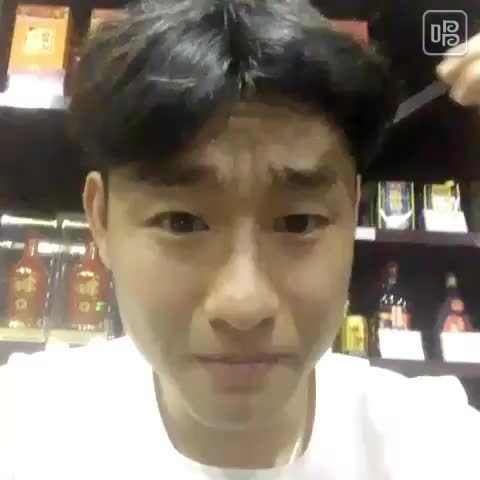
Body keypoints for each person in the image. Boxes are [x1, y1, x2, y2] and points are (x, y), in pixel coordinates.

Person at [0, 1, 479, 478]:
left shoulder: (435, 444)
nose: (244, 303)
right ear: (101, 220)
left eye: (299, 223)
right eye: (181, 222)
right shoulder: (23, 429)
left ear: (351, 215)